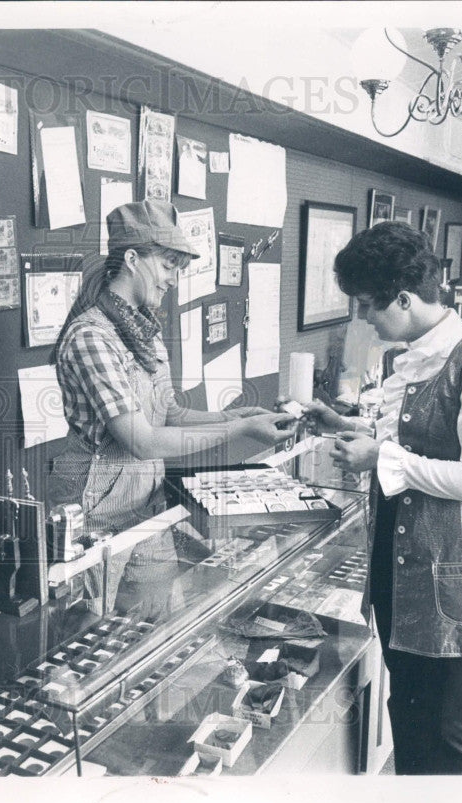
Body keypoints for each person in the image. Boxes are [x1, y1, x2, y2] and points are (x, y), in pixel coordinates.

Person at [303, 221, 462, 775]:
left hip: (459, 585)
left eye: (366, 306)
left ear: (403, 299)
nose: (362, 319)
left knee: (450, 726)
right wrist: (347, 424)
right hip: (405, 573)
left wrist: (380, 459)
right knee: (409, 713)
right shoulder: (412, 356)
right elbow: (419, 435)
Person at [48, 200, 296, 616]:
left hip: (146, 504)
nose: (173, 280)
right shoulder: (91, 337)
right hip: (91, 517)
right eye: (167, 266)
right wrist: (238, 432)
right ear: (131, 259)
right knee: (93, 645)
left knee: (162, 626)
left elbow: (170, 415)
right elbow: (142, 441)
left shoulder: (145, 331)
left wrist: (236, 416)